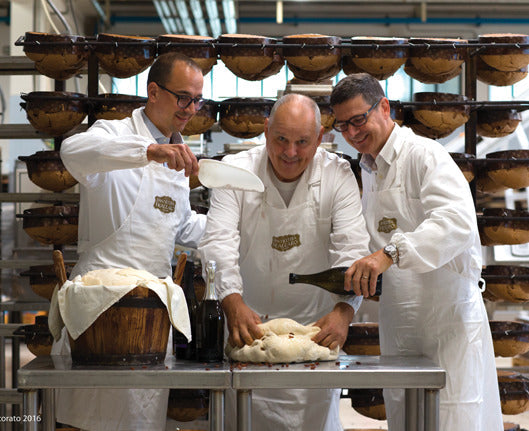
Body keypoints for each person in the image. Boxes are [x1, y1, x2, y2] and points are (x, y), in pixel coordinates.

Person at [330, 73, 502, 431]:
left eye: (358, 120)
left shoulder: (424, 155)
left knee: (454, 417)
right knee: (407, 418)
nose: (352, 133)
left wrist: (389, 253)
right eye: (342, 126)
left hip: (447, 325)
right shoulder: (369, 169)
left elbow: (456, 221)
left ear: (385, 108)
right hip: (401, 327)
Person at [199, 93, 371, 431]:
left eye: (302, 142)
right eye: (281, 139)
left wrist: (345, 310)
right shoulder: (236, 171)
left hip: (315, 337)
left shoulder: (337, 175)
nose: (290, 153)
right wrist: (231, 299)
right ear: (265, 130)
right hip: (247, 333)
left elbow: (351, 249)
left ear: (320, 138)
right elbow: (218, 241)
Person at [53, 52, 207, 431]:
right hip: (97, 311)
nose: (191, 109)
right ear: (153, 91)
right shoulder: (114, 134)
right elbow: (71, 152)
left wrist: (235, 227)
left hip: (151, 319)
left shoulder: (180, 152)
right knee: (86, 419)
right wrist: (148, 152)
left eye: (197, 100)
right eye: (183, 98)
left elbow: (180, 226)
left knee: (141, 419)